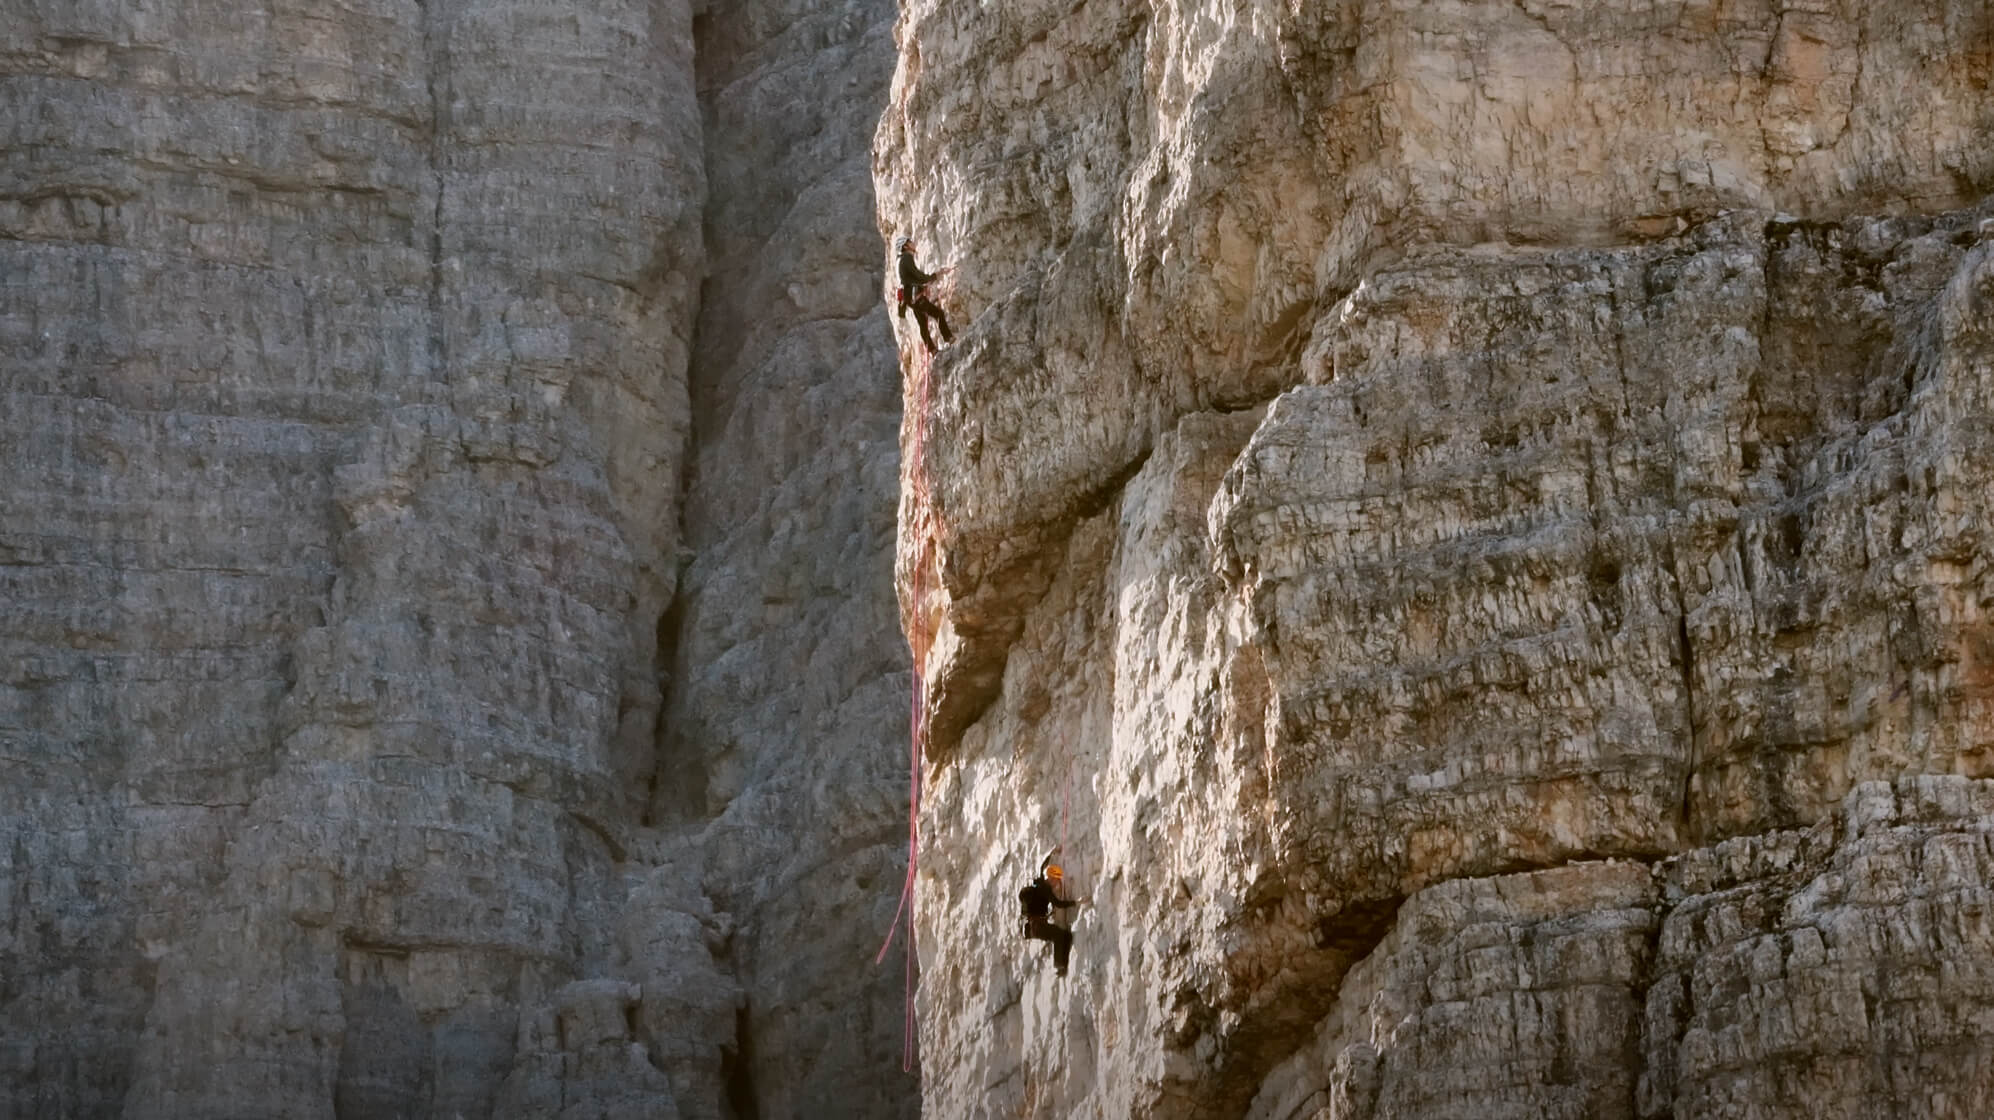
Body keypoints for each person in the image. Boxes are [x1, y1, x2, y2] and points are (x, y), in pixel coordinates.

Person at [1018, 847, 1080, 977]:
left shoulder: (1040, 883)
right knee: (1058, 935)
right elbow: (1058, 903)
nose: (1057, 883)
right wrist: (1076, 902)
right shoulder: (1046, 890)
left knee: (1064, 936)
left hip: (1031, 926)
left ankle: (1061, 965)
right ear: (1052, 879)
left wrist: (1052, 852)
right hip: (1036, 927)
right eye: (1056, 880)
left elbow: (1042, 866)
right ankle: (1059, 965)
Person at [895, 236, 954, 353]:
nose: (913, 243)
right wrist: (934, 276)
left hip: (909, 297)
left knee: (922, 323)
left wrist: (926, 282)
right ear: (905, 246)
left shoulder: (900, 260)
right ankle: (948, 338)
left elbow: (910, 278)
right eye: (910, 242)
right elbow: (917, 275)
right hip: (914, 295)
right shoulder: (906, 257)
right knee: (938, 314)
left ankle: (932, 350)